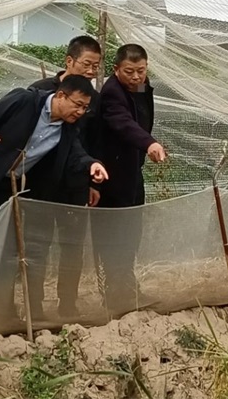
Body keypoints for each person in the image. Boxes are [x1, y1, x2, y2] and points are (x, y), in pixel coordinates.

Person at [0, 76, 108, 320]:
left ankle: (3, 312)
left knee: (8, 252)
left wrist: (92, 164)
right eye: (78, 104)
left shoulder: (68, 128)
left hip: (9, 190)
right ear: (61, 96)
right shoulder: (24, 100)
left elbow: (76, 153)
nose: (81, 112)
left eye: (85, 107)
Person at [22, 35, 103, 318]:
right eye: (86, 64)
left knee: (72, 247)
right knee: (36, 246)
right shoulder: (41, 91)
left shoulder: (94, 100)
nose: (91, 71)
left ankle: (68, 305)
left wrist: (91, 180)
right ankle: (34, 307)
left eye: (96, 66)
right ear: (69, 61)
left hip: (76, 183)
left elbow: (92, 143)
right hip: (40, 184)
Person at [94, 43, 166, 317]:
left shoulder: (141, 87)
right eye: (129, 71)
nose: (136, 77)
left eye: (141, 70)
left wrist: (144, 146)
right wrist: (149, 143)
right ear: (116, 69)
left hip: (133, 168)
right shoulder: (112, 93)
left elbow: (142, 117)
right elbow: (123, 123)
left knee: (132, 230)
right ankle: (116, 294)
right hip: (112, 175)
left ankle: (127, 287)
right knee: (117, 234)